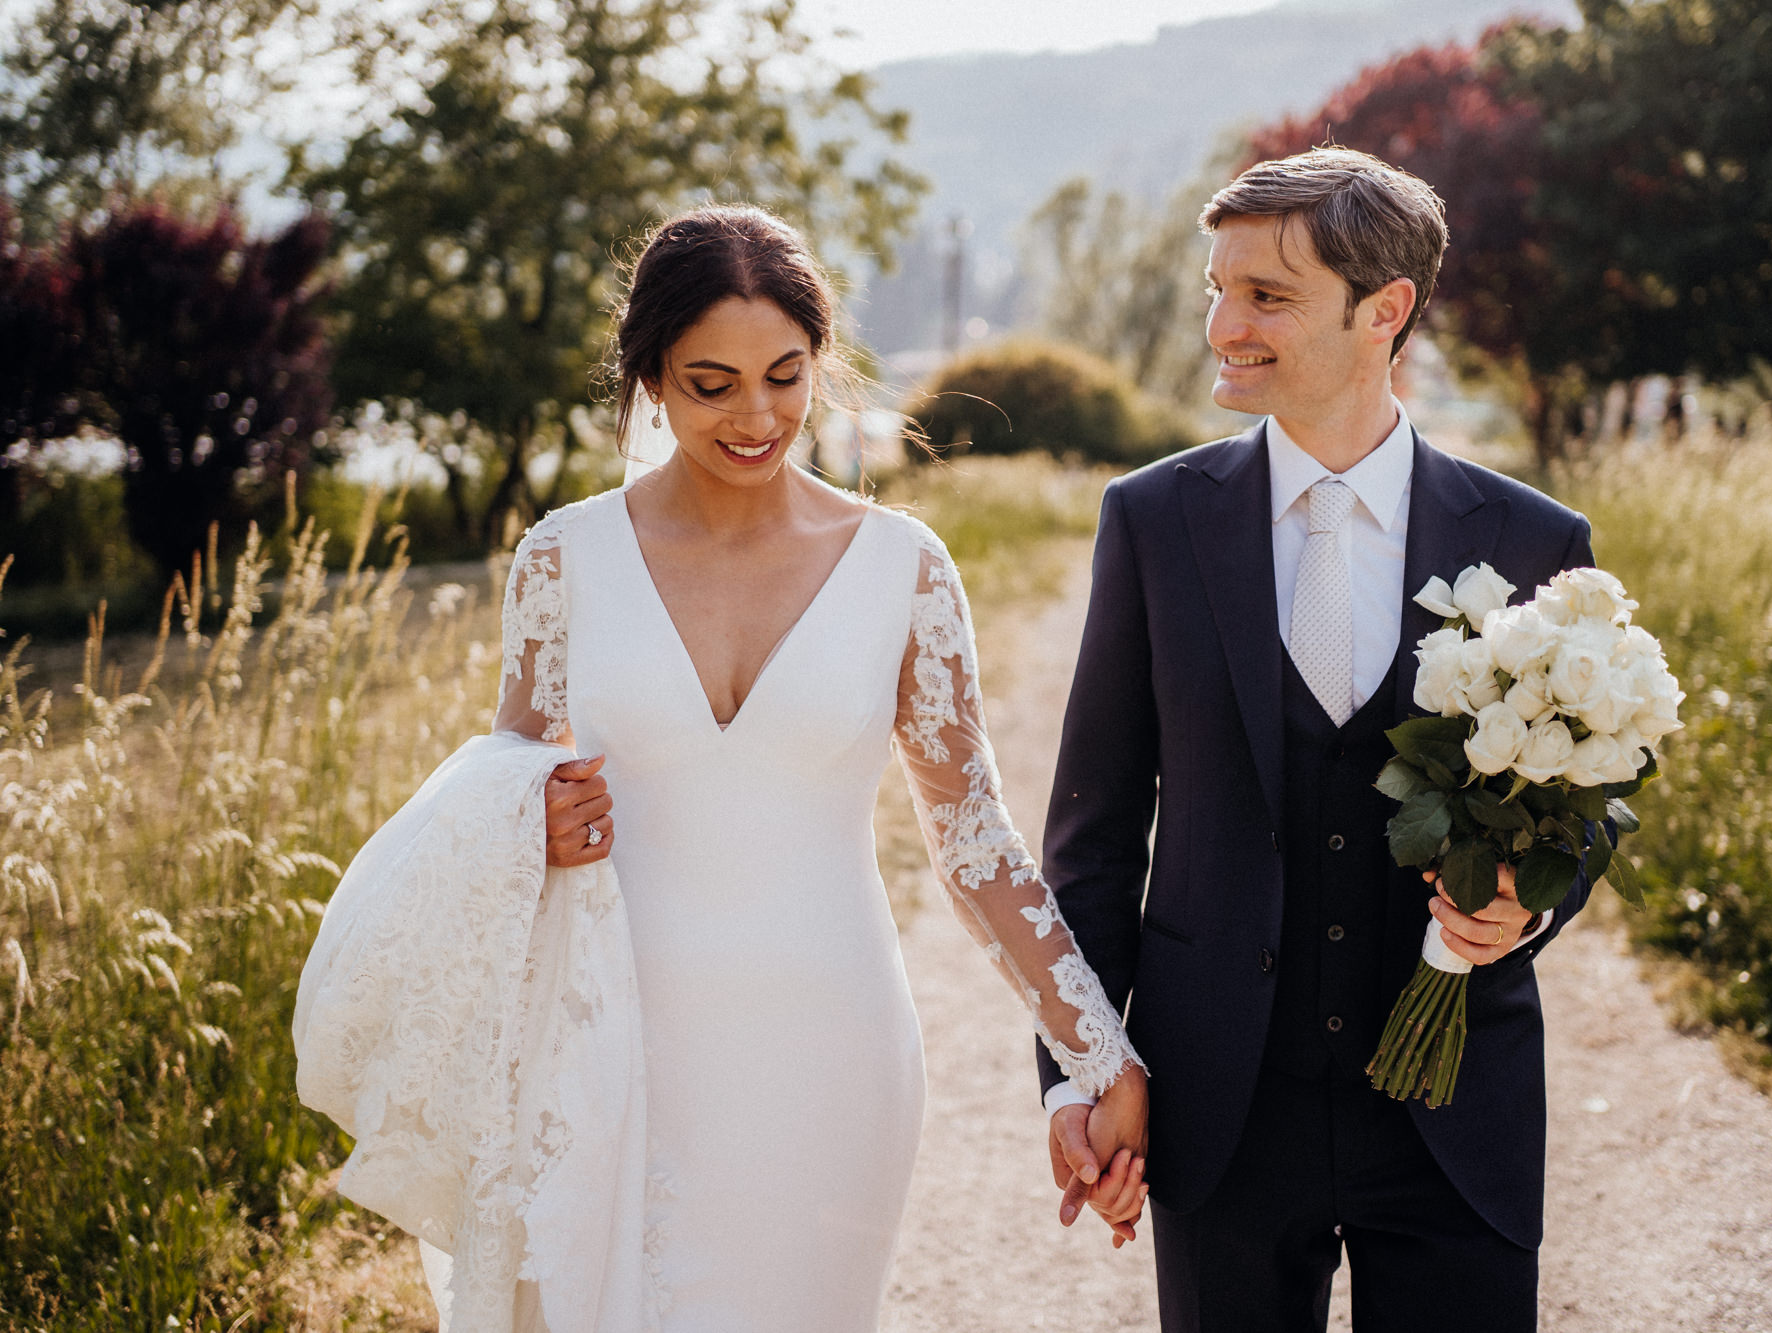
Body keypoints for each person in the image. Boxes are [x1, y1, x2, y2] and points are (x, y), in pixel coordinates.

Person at [303, 204, 1148, 1332]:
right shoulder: (562, 558)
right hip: (606, 1053)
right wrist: (530, 819)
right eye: (711, 384)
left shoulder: (903, 566)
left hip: (830, 1055)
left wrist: (1097, 1049)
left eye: (784, 376)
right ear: (650, 376)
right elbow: (504, 784)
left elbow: (973, 838)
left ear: (820, 362)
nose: (755, 416)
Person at [1035, 147, 1599, 1330]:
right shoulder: (1149, 521)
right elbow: (1090, 838)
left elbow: (1581, 801)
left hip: (1454, 1110)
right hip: (1218, 1105)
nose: (1221, 325)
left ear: (1383, 310)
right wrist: (1083, 1071)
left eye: (1265, 296)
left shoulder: (1537, 540)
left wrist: (1529, 903)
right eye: (1217, 288)